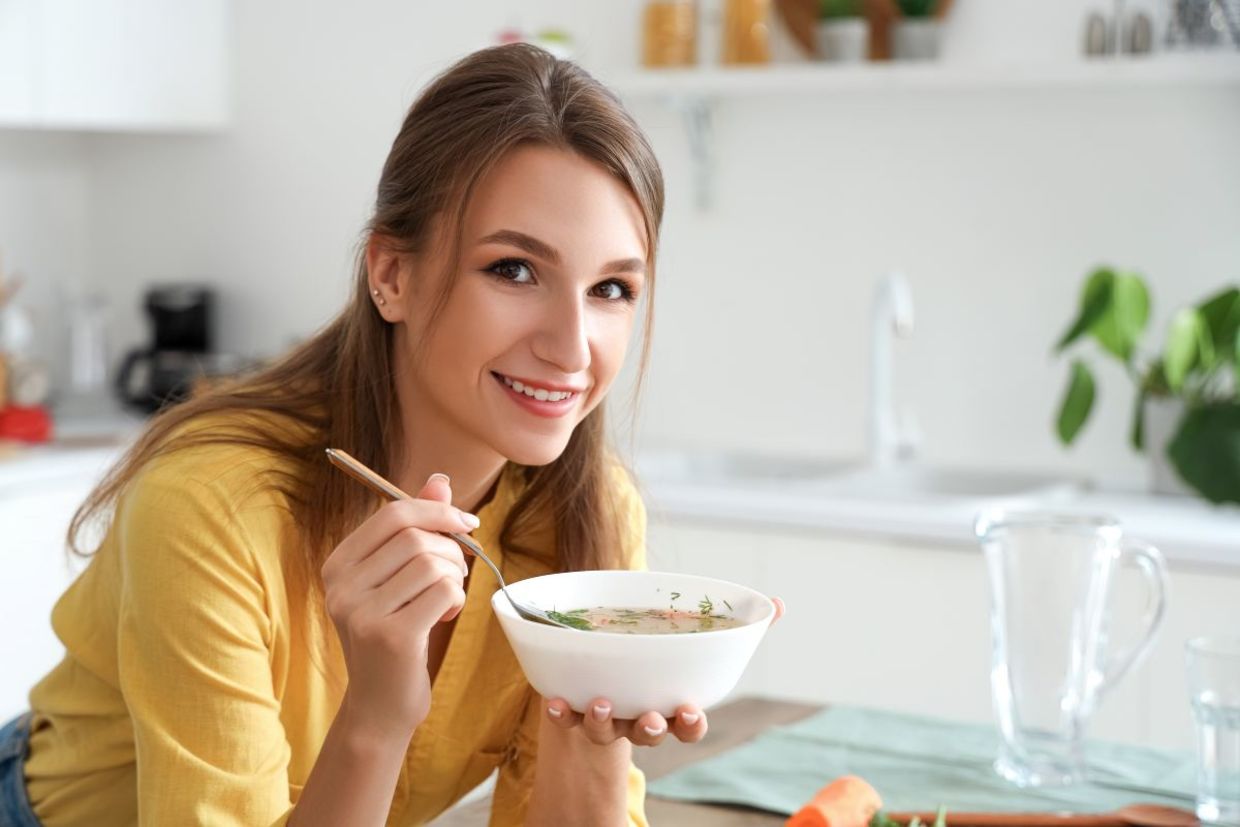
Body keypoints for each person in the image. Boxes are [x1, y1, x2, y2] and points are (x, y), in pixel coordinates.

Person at [0, 43, 773, 827]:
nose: (573, 348)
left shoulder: (588, 511)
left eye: (611, 287)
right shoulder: (208, 506)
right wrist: (376, 710)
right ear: (391, 275)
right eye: (513, 269)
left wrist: (597, 732)